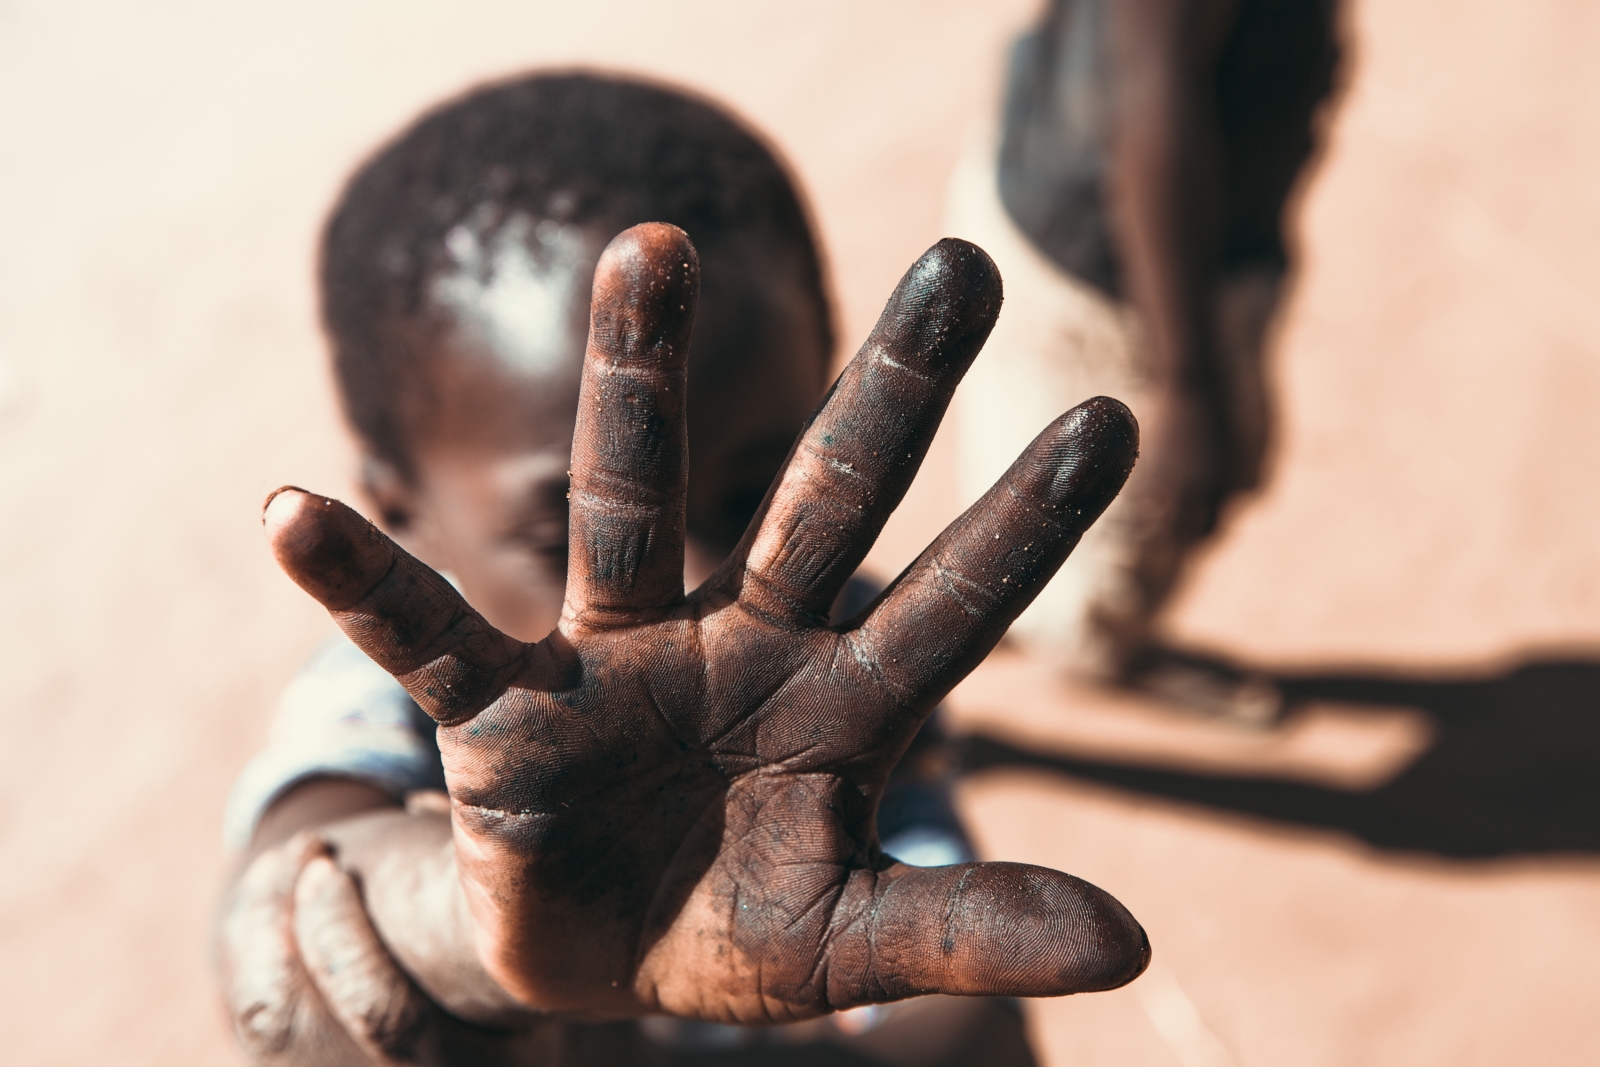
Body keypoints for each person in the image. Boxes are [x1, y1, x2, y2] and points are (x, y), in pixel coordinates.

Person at [217, 72, 1148, 1066]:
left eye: (757, 492)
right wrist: (464, 931)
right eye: (567, 529)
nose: (706, 585)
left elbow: (959, 1018)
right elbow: (279, 910)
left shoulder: (832, 662)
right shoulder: (373, 696)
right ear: (396, 507)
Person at [947, 0, 1340, 720]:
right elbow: (1150, 103)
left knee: (1036, 449)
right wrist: (1186, 382)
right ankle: (1097, 645)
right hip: (1125, 278)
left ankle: (1027, 613)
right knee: (1135, 505)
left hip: (1062, 188)